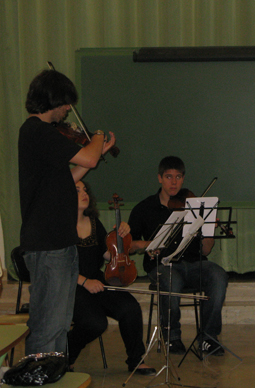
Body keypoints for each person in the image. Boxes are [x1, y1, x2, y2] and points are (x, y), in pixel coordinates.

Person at [18, 68, 116, 355]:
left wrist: (97, 152)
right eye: (66, 103)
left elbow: (70, 177)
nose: (67, 110)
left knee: (60, 323)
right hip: (48, 244)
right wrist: (98, 136)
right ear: (54, 99)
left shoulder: (42, 134)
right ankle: (39, 372)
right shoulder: (38, 130)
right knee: (48, 324)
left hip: (59, 243)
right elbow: (88, 157)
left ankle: (53, 370)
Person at [129, 156, 229, 356]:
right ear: (160, 178)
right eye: (168, 177)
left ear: (183, 178)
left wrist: (208, 228)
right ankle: (172, 337)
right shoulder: (144, 208)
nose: (173, 182)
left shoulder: (195, 207)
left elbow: (206, 251)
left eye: (178, 177)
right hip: (162, 265)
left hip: (194, 263)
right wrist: (146, 245)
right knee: (171, 281)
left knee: (218, 276)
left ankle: (208, 338)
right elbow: (129, 245)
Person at [68, 180, 155, 375]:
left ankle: (136, 360)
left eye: (85, 190)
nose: (84, 193)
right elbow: (60, 267)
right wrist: (84, 282)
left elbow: (108, 255)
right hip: (71, 285)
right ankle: (67, 355)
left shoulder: (93, 222)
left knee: (130, 307)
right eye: (77, 190)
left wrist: (120, 239)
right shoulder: (61, 227)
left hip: (96, 280)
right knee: (95, 323)